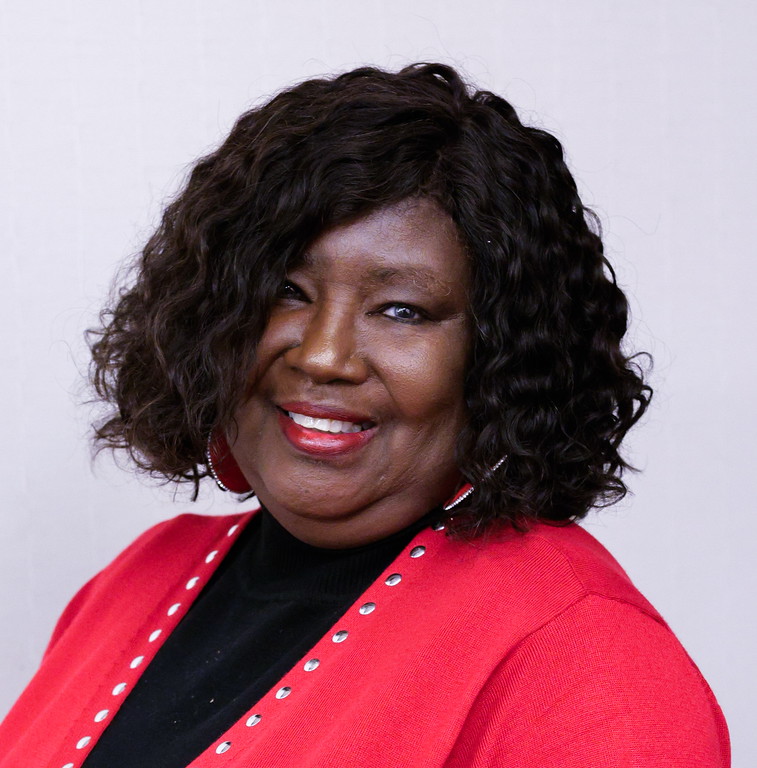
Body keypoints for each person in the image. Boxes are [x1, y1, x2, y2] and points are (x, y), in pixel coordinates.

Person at [0, 63, 729, 767]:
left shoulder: (585, 656)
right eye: (286, 290)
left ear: (502, 356)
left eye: (401, 310)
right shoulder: (137, 582)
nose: (323, 355)